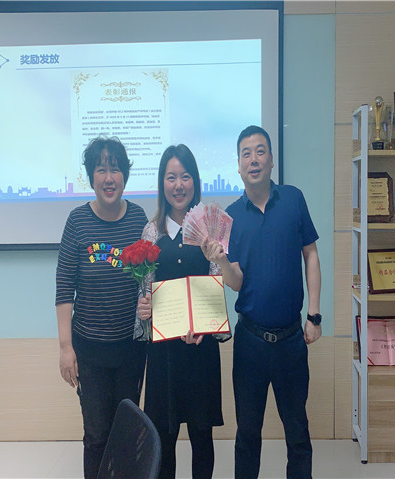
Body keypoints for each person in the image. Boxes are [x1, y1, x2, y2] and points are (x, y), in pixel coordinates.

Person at [202, 125, 322, 479]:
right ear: (238, 166)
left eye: (260, 151)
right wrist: (222, 261)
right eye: (246, 154)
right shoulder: (230, 217)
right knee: (247, 434)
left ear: (271, 160)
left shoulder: (294, 200)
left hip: (291, 340)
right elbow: (236, 282)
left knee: (297, 431)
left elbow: (311, 255)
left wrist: (314, 315)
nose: (253, 160)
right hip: (250, 343)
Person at [55, 136, 148, 479]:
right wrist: (66, 348)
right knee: (96, 436)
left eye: (116, 169)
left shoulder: (138, 219)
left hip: (130, 349)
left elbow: (148, 278)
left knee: (126, 435)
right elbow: (64, 288)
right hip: (90, 351)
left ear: (125, 175)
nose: (109, 178)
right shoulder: (77, 222)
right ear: (91, 176)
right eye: (101, 169)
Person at [137, 144, 229, 479]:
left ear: (195, 181)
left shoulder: (210, 230)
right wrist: (144, 308)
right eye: (171, 177)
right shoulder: (152, 232)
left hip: (200, 350)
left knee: (202, 437)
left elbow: (217, 282)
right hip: (164, 355)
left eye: (185, 176)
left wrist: (205, 327)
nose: (178, 185)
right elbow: (145, 290)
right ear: (162, 183)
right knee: (164, 438)